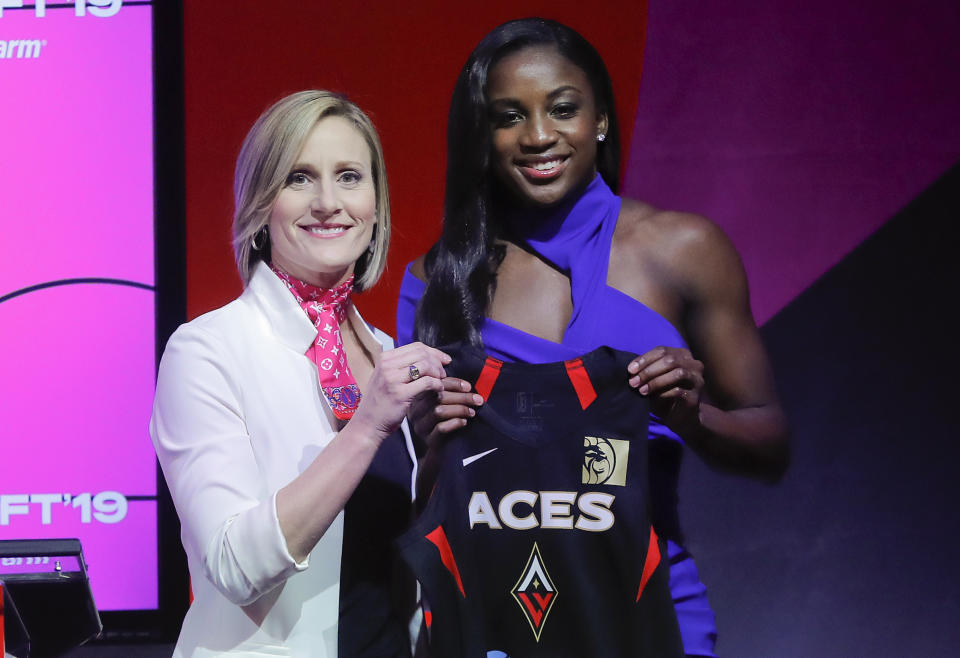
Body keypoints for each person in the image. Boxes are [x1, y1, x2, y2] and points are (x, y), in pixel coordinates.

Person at [396, 18, 789, 658]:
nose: (539, 135)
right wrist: (434, 441)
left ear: (599, 119)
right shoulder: (437, 279)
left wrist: (694, 416)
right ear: (483, 136)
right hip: (493, 624)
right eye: (508, 116)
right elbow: (416, 490)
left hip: (649, 615)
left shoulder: (685, 250)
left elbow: (770, 441)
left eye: (562, 108)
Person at [151, 90, 449, 657]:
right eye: (298, 178)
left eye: (349, 176)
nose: (328, 202)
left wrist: (437, 456)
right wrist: (366, 429)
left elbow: (388, 548)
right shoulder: (206, 352)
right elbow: (234, 567)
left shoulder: (389, 355)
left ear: (377, 203)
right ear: (262, 204)